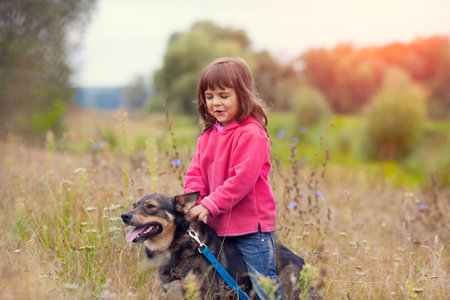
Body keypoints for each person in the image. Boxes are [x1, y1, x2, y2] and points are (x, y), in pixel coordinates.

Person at [184, 57, 285, 299]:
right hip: (218, 228)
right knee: (225, 287)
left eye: (224, 95)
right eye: (209, 97)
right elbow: (195, 172)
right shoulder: (208, 136)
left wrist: (209, 205)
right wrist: (193, 202)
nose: (216, 103)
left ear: (243, 95)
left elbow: (242, 180)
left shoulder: (251, 134)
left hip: (251, 230)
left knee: (264, 287)